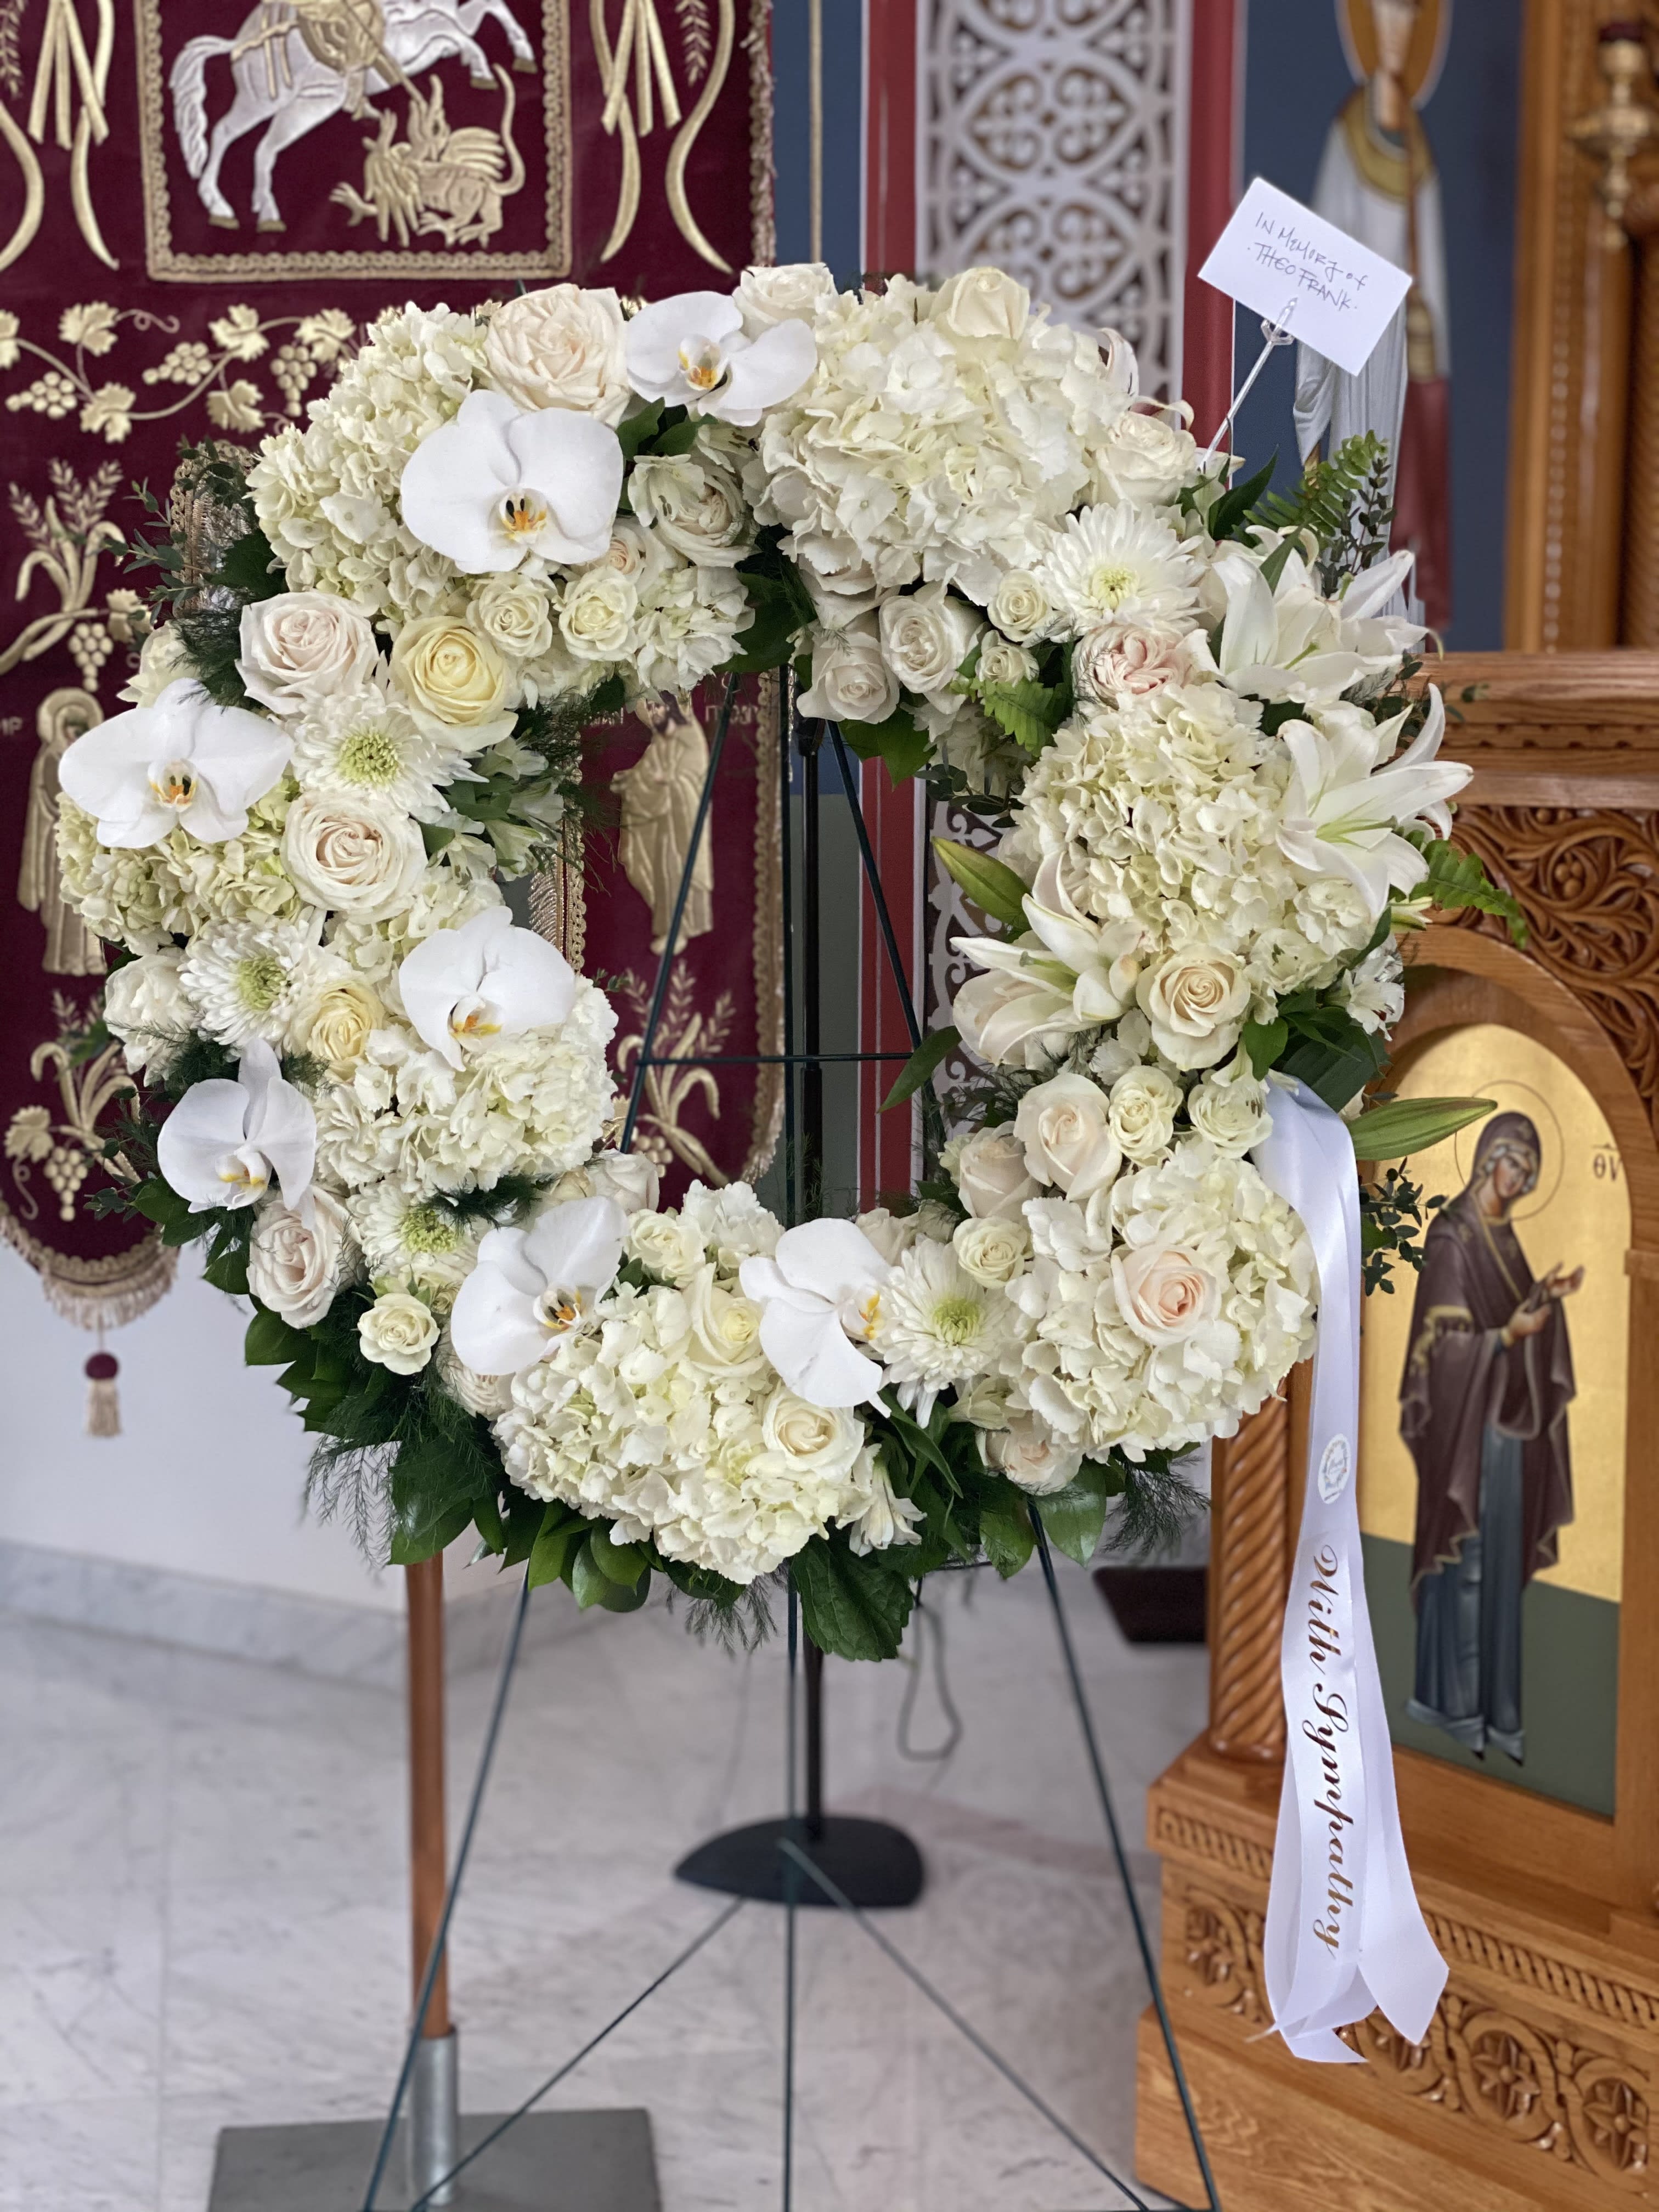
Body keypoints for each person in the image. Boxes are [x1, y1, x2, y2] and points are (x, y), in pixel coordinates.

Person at [1398, 1112, 1581, 1760]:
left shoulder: (1505, 1239)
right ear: (1487, 1158)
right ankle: (1453, 1708)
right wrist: (1508, 1336)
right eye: (1514, 1162)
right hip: (1464, 1441)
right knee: (1467, 1568)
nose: (1520, 1177)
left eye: (1529, 1169)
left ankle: (1497, 1719)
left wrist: (1544, 1299)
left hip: (1508, 1436)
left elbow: (1512, 1317)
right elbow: (1442, 1349)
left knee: (1499, 1571)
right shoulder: (1453, 1236)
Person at [1295, 0, 1452, 630]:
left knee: (1409, 482)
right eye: (1383, 20)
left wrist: (1429, 325)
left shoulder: (1417, 140)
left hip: (1410, 337)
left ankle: (1406, 614)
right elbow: (1330, 240)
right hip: (1357, 334)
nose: (1394, 35)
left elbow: (1428, 252)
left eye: (1405, 22)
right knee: (1356, 478)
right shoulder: (1350, 132)